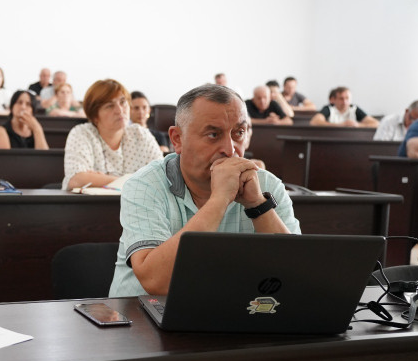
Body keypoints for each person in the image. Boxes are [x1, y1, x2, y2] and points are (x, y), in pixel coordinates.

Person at [108, 83, 300, 297]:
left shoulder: (267, 186)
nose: (230, 149)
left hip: (231, 316)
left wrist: (257, 205)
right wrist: (219, 200)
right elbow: (157, 283)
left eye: (239, 132)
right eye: (213, 135)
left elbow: (297, 276)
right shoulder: (145, 186)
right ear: (177, 139)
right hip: (141, 318)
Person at [62, 79, 163, 190]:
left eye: (123, 102)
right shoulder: (81, 133)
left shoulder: (140, 133)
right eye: (110, 106)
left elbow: (160, 177)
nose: (119, 110)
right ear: (95, 116)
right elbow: (76, 179)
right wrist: (135, 181)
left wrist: (98, 179)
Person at [310, 87, 379, 127]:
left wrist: (358, 125)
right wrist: (341, 125)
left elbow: (376, 123)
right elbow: (315, 122)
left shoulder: (354, 109)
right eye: (341, 98)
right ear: (334, 100)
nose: (344, 102)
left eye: (347, 98)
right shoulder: (329, 109)